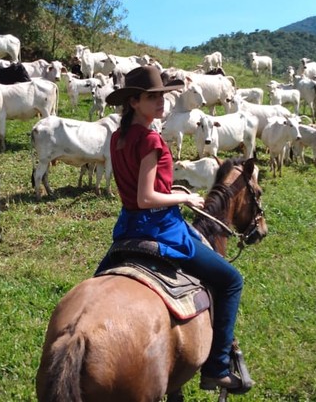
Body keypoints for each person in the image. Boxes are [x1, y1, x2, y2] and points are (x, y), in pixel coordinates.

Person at [94, 65, 250, 393]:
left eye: (163, 97)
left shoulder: (117, 137)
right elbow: (147, 196)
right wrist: (183, 195)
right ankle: (217, 367)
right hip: (161, 227)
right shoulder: (150, 138)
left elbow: (135, 193)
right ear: (134, 101)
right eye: (152, 98)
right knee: (231, 280)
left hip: (127, 228)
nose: (162, 103)